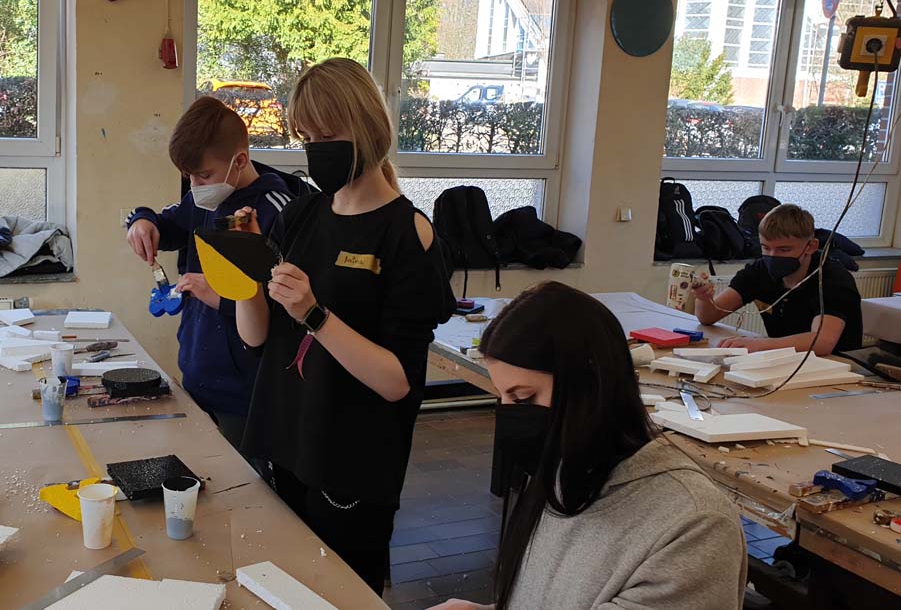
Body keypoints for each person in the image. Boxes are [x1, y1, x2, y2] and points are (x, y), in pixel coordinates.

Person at [232, 57, 455, 593]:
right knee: (283, 590)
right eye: (306, 137)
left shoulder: (409, 234)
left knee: (343, 594)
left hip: (352, 462)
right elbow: (255, 336)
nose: (315, 150)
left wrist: (314, 314)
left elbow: (397, 381)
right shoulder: (301, 216)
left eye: (326, 136)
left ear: (365, 127)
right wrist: (243, 271)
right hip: (287, 440)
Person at [430, 282, 747, 610]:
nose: (511, 415)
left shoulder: (695, 528)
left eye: (523, 398)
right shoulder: (568, 470)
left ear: (591, 385)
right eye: (503, 398)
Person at [124, 96, 294, 450]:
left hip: (245, 392)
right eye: (189, 177)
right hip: (197, 374)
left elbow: (284, 312)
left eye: (204, 175)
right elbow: (167, 222)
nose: (196, 186)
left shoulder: (276, 211)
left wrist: (219, 296)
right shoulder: (204, 198)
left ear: (240, 161)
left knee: (241, 478)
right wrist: (141, 221)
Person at [693, 203, 863, 355]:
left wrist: (759, 344)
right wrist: (704, 298)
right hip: (785, 359)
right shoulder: (760, 270)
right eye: (766, 248)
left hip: (837, 364)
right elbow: (708, 317)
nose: (772, 256)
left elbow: (822, 342)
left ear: (811, 247)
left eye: (784, 250)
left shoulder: (833, 278)